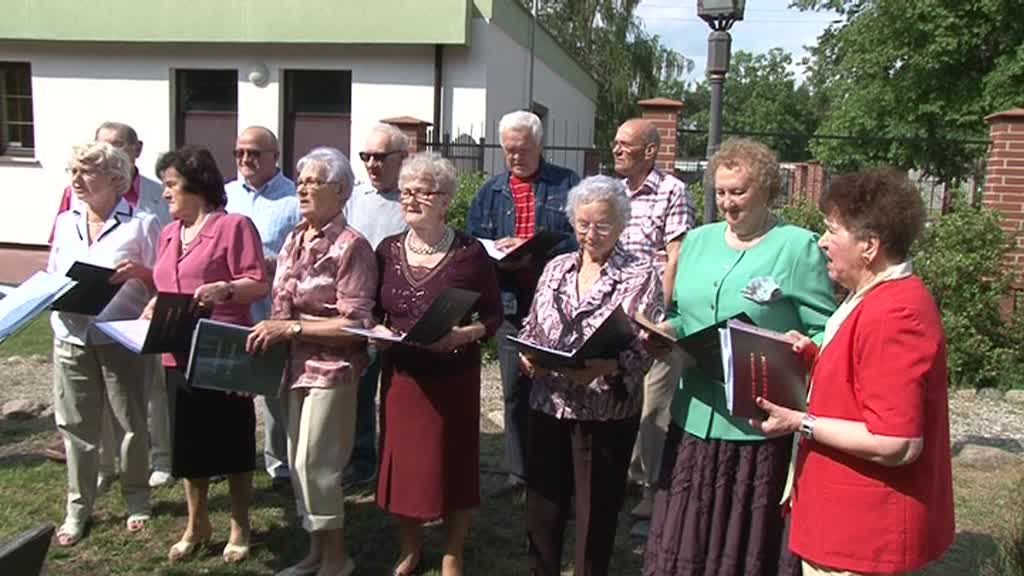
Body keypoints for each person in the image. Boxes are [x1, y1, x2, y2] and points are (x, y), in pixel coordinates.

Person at [642, 138, 836, 576]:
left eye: (739, 192)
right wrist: (666, 333)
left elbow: (826, 328)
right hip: (695, 416)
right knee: (685, 539)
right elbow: (679, 313)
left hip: (756, 425)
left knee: (742, 546)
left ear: (766, 189)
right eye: (721, 192)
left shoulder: (797, 247)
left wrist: (798, 346)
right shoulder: (696, 241)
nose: (728, 203)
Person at [751, 168, 955, 575]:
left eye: (832, 230)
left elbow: (895, 442)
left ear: (869, 246)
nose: (822, 241)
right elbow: (863, 378)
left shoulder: (894, 313)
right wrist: (812, 356)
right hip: (848, 525)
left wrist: (800, 422)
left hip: (866, 534)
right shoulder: (872, 297)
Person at [518, 175, 663, 576]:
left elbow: (648, 345)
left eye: (601, 224)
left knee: (595, 514)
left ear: (621, 224)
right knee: (543, 508)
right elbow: (532, 324)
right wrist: (528, 354)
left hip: (605, 412)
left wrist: (610, 367)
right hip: (549, 402)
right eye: (582, 224)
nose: (590, 233)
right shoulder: (556, 267)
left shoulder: (641, 274)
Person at [248, 147, 376, 576]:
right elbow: (280, 301)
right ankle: (317, 553)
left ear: (339, 190)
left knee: (316, 465)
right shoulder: (294, 238)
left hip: (332, 370)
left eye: (314, 181)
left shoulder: (352, 246)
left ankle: (338, 559)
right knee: (296, 460)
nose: (302, 187)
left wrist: (292, 330)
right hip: (291, 369)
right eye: (300, 180)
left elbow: (357, 324)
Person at [375, 153, 502, 576]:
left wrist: (461, 336)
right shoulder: (387, 251)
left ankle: (453, 552)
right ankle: (410, 549)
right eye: (406, 190)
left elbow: (494, 316)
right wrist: (378, 331)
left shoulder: (471, 254)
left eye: (423, 191)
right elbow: (373, 310)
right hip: (403, 377)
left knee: (454, 464)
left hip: (453, 377)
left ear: (446, 200)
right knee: (406, 465)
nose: (410, 198)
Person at [151, 145, 269, 564]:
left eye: (171, 185)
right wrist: (154, 304)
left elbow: (257, 282)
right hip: (177, 351)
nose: (165, 194)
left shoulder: (234, 226)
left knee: (232, 441)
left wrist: (226, 289)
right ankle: (197, 522)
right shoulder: (168, 234)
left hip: (223, 351)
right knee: (189, 444)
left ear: (197, 186)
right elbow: (164, 283)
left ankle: (240, 523)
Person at [45, 121, 174, 492]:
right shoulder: (67, 220)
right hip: (72, 330)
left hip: (123, 332)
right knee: (81, 417)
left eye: (86, 172)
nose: (77, 179)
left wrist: (140, 276)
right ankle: (97, 477)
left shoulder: (143, 217)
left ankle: (151, 472)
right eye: (74, 172)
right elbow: (54, 269)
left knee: (136, 410)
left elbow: (161, 276)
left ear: (116, 174)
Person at [467, 110, 578, 498]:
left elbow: (581, 237)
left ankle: (556, 468)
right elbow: (472, 242)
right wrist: (498, 251)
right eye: (509, 150)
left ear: (539, 145)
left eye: (523, 149)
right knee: (514, 388)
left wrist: (540, 249)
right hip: (511, 302)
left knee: (560, 388)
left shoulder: (567, 184)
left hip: (558, 304)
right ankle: (519, 472)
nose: (515, 157)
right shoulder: (491, 192)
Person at [611, 118, 696, 522]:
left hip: (652, 317)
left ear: (649, 151)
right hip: (614, 312)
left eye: (625, 144)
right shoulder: (613, 193)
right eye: (615, 143)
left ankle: (652, 486)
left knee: (654, 405)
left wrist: (658, 315)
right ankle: (625, 476)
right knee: (620, 396)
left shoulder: (671, 191)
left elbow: (677, 254)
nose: (616, 150)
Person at [225, 125, 300, 490]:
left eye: (254, 153)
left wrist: (274, 265)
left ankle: (281, 466)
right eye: (239, 153)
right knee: (230, 388)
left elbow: (305, 252)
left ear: (275, 156)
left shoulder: (295, 198)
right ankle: (231, 458)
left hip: (275, 308)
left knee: (277, 393)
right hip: (233, 309)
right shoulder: (225, 197)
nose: (245, 160)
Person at [341, 123, 410, 490]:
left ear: (403, 158)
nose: (372, 163)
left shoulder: (412, 201)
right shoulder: (354, 198)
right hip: (363, 310)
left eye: (381, 157)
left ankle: (400, 459)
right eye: (365, 156)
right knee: (360, 388)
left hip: (400, 312)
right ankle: (362, 459)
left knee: (400, 391)